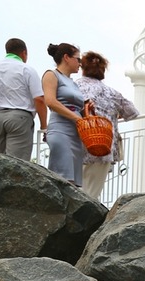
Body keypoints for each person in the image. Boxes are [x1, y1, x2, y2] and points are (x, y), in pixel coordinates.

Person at [75, 52, 139, 200]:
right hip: (104, 146)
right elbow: (133, 112)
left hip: (79, 143)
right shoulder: (113, 93)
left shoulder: (74, 86)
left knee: (76, 193)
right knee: (92, 194)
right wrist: (114, 114)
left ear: (82, 68)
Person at [0, 38, 47, 160]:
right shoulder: (27, 69)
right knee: (17, 164)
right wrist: (44, 126)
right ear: (24, 53)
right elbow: (39, 99)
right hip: (19, 118)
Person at [42, 43, 88, 186]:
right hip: (61, 130)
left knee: (74, 182)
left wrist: (86, 111)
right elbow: (50, 101)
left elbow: (78, 108)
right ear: (66, 57)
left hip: (76, 133)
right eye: (78, 59)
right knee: (62, 178)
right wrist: (76, 117)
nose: (80, 64)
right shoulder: (51, 74)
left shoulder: (73, 83)